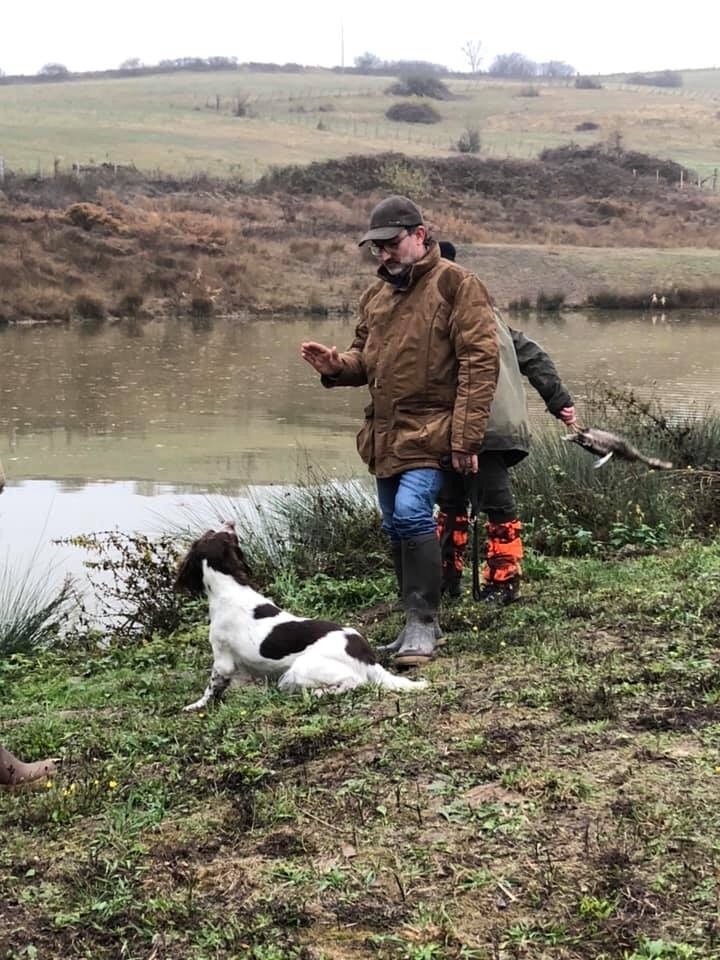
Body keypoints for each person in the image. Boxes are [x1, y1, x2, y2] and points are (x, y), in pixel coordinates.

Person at [301, 196, 501, 667]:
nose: (384, 254)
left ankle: (423, 624)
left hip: (435, 428)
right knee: (394, 523)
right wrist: (336, 366)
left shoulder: (458, 284)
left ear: (420, 235)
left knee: (412, 512)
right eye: (376, 248)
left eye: (391, 244)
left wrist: (465, 439)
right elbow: (361, 359)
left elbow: (480, 363)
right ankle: (412, 618)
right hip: (385, 433)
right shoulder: (376, 297)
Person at [436, 240, 577, 603]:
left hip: (484, 427)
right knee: (453, 502)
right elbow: (534, 355)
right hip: (467, 428)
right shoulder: (485, 309)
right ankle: (448, 580)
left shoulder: (447, 313)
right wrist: (559, 401)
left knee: (493, 504)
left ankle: (502, 583)